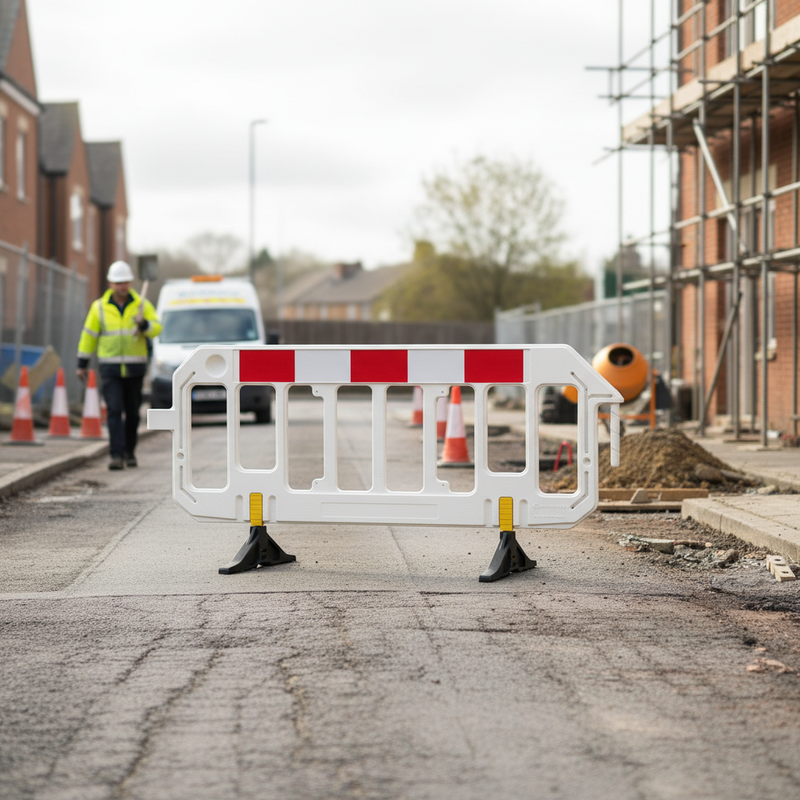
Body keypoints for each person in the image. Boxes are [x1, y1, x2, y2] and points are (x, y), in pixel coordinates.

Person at [76, 261, 162, 470]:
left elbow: (157, 328)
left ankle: (129, 452)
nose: (121, 286)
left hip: (135, 368)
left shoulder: (141, 304)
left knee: (132, 413)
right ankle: (116, 455)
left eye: (124, 282)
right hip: (110, 367)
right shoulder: (99, 308)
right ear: (110, 283)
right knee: (114, 410)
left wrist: (144, 325)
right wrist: (82, 363)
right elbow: (89, 336)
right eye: (117, 282)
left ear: (130, 282)